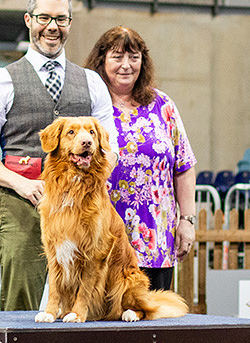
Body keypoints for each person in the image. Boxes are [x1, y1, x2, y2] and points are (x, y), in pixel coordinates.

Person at [0, 0, 115, 311]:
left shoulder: (92, 82)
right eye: (44, 17)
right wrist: (22, 184)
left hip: (82, 207)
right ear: (29, 20)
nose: (52, 27)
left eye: (61, 19)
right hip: (22, 204)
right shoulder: (1, 79)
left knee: (82, 300)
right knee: (21, 303)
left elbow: (111, 148)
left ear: (70, 24)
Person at [84, 26, 197, 291]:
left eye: (134, 57)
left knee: (154, 319)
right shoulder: (88, 107)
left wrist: (187, 220)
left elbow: (184, 166)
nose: (126, 65)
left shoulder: (163, 104)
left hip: (156, 238)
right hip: (102, 238)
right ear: (101, 61)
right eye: (117, 56)